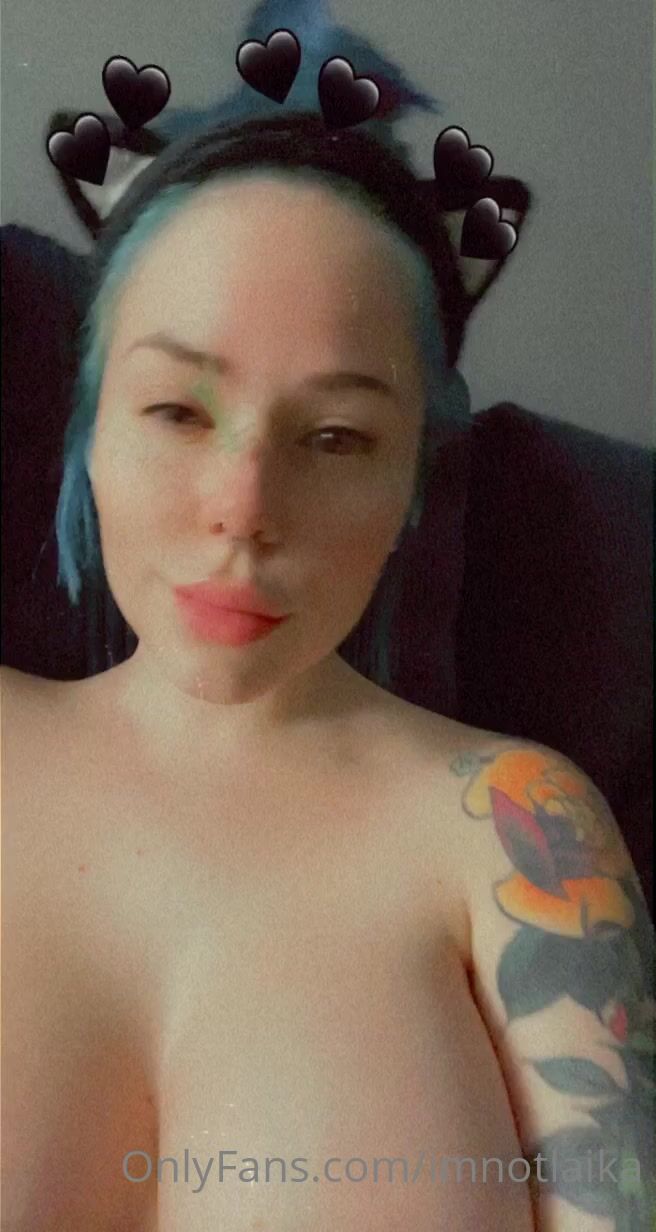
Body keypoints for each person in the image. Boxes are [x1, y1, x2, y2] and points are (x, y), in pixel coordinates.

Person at [3, 66, 654, 1232]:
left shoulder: (518, 826)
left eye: (338, 436)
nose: (244, 508)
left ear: (412, 482)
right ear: (87, 428)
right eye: (177, 411)